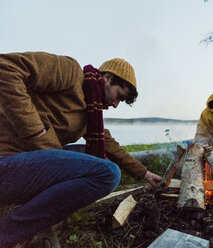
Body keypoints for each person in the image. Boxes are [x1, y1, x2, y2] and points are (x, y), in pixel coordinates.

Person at [0, 51, 162, 247]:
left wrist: (145, 173)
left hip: (26, 166)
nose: (116, 105)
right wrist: (37, 133)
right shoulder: (70, 72)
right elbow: (6, 67)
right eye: (119, 96)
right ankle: (8, 232)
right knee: (108, 174)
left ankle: (37, 216)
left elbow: (110, 145)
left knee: (100, 162)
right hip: (7, 162)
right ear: (107, 78)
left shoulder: (91, 114)